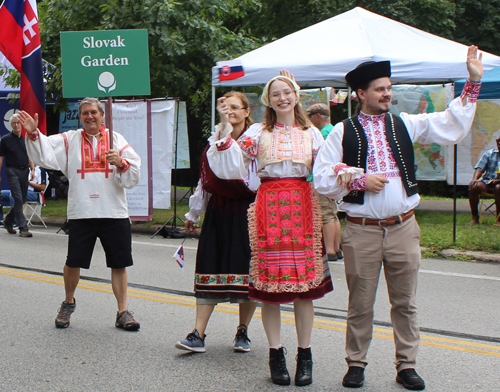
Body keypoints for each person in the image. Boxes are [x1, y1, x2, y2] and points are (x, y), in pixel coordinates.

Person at [314, 45, 483, 391]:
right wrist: (360, 179)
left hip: (404, 226)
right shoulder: (343, 131)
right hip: (362, 231)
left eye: (389, 88)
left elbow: (450, 124)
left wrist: (473, 82)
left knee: (405, 302)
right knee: (360, 303)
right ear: (361, 94)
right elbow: (321, 178)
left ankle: (407, 365)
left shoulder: (404, 123)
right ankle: (356, 363)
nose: (387, 93)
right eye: (380, 89)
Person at [207, 74, 333, 386]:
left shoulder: (311, 133)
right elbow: (232, 160)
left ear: (296, 96)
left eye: (286, 92)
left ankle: (305, 354)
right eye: (275, 94)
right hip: (270, 206)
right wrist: (223, 129)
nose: (282, 98)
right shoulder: (258, 132)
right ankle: (276, 355)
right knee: (271, 291)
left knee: (304, 289)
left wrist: (342, 177)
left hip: (303, 206)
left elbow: (327, 168)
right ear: (268, 100)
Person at [18, 97, 142, 331]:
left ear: (102, 115)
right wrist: (34, 134)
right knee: (73, 262)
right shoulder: (70, 139)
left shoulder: (116, 139)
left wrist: (121, 163)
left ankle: (122, 311)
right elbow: (45, 151)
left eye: (94, 112)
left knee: (119, 263)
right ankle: (68, 302)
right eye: (85, 113)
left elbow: (134, 169)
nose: (90, 116)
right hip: (81, 211)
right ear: (80, 117)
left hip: (113, 212)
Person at [175, 91, 259, 353]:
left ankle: (243, 331)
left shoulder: (256, 137)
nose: (231, 112)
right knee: (209, 265)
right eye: (226, 108)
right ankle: (198, 333)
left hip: (249, 210)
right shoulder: (216, 140)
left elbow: (235, 169)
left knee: (248, 272)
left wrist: (225, 136)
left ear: (247, 111)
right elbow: (207, 180)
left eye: (236, 107)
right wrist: (194, 212)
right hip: (219, 211)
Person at [307, 103, 343, 261]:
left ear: (317, 116)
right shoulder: (333, 130)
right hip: (333, 177)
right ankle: (336, 247)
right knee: (333, 213)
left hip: (322, 178)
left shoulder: (323, 133)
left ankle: (329, 251)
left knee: (325, 214)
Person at [0, 113, 34, 237]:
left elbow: (29, 155)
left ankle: (8, 221)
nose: (16, 125)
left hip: (24, 170)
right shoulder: (5, 140)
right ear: (11, 125)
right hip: (12, 170)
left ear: (21, 124)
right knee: (18, 198)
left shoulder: (26, 139)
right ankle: (23, 228)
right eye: (14, 123)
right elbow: (1, 157)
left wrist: (33, 169)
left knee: (22, 198)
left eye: (18, 122)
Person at [468, 136, 500, 224]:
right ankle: (475, 217)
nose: (499, 144)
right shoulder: (489, 153)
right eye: (498, 141)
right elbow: (480, 168)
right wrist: (475, 179)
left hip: (498, 184)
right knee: (474, 187)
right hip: (488, 181)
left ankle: (499, 219)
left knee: (498, 188)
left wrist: (497, 181)